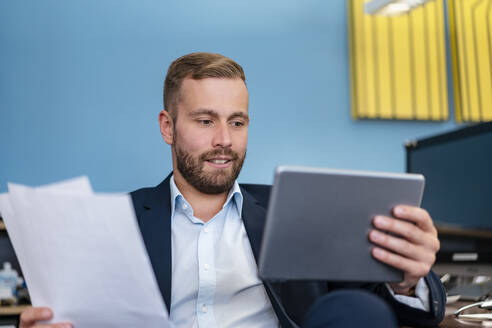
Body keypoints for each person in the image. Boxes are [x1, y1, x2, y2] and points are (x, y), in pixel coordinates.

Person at [20, 52, 445, 328]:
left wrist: (408, 281)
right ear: (168, 127)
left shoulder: (297, 210)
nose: (224, 138)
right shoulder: (116, 222)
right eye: (205, 121)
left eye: (237, 122)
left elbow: (368, 309)